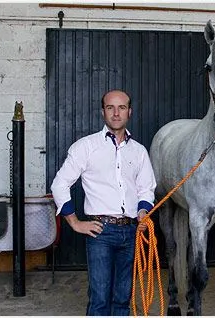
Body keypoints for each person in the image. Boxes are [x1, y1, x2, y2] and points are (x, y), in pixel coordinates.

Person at [51, 89, 156, 316]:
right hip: (101, 232)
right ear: (103, 112)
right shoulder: (85, 147)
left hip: (130, 231)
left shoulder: (139, 152)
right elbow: (59, 184)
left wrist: (143, 211)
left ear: (130, 112)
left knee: (122, 298)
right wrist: (75, 222)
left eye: (121, 108)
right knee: (99, 298)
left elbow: (146, 188)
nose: (116, 113)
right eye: (110, 108)